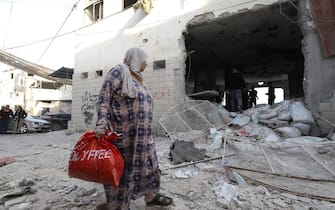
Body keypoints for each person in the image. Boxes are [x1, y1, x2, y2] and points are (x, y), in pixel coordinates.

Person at [95, 47, 173, 210]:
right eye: (144, 60)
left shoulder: (138, 79)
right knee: (121, 171)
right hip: (124, 134)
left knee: (149, 165)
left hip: (144, 135)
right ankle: (117, 205)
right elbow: (104, 98)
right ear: (136, 59)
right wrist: (101, 125)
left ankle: (150, 196)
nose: (146, 64)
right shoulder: (118, 72)